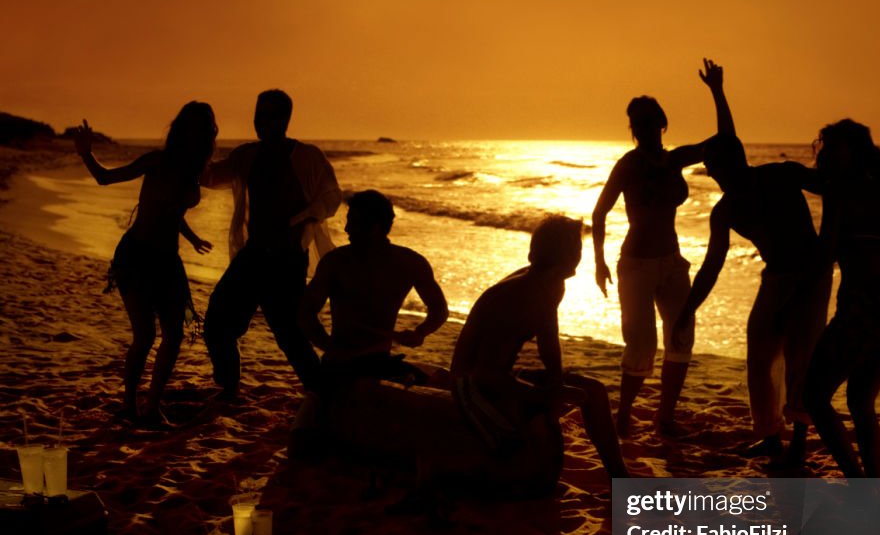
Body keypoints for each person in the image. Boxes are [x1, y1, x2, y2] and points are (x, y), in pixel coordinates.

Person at [592, 58, 734, 436]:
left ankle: (665, 416)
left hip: (671, 263)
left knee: (681, 334)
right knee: (640, 343)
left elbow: (723, 143)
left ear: (662, 123)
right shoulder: (627, 165)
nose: (645, 128)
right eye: (638, 123)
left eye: (651, 121)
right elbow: (599, 212)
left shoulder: (674, 160)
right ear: (633, 129)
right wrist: (599, 263)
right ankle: (624, 413)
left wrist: (717, 92)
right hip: (636, 265)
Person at [673, 133, 832, 463]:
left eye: (717, 167)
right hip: (774, 276)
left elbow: (829, 185)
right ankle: (771, 437)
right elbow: (712, 264)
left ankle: (799, 443)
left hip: (812, 275)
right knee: (759, 358)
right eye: (711, 169)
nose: (715, 176)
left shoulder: (780, 174)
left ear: (736, 161)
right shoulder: (726, 209)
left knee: (800, 358)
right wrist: (688, 310)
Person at [451, 215, 629, 482]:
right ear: (565, 254)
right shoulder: (516, 295)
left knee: (592, 391)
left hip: (501, 373)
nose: (580, 256)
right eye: (577, 249)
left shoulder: (552, 284)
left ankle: (619, 477)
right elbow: (482, 372)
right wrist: (538, 394)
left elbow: (549, 340)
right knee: (541, 421)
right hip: (473, 385)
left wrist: (556, 381)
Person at [72, 104, 216, 426]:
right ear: (181, 131)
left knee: (175, 334)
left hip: (168, 260)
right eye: (193, 128)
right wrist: (86, 153)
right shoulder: (156, 160)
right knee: (146, 335)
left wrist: (191, 238)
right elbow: (105, 178)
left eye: (203, 129)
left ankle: (152, 407)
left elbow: (172, 211)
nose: (198, 135)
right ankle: (129, 405)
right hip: (136, 256)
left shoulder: (195, 170)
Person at [203, 89, 341, 400]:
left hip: (288, 258)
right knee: (217, 323)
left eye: (269, 115)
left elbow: (331, 197)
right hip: (254, 254)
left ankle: (321, 393)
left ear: (284, 119)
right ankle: (228, 386)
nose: (261, 122)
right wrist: (198, 145)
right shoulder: (246, 155)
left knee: (289, 333)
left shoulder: (307, 156)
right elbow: (209, 177)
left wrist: (302, 218)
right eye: (258, 115)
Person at [803, 119, 880, 478]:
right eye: (827, 147)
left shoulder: (842, 192)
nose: (826, 153)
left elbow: (825, 254)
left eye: (834, 147)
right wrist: (878, 164)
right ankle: (870, 486)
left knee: (815, 397)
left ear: (854, 151)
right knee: (860, 404)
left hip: (860, 307)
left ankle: (859, 482)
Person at [299, 189, 449, 386]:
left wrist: (420, 331)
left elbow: (439, 310)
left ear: (376, 228)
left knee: (446, 383)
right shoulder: (336, 262)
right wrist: (330, 346)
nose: (346, 229)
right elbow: (305, 312)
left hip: (380, 362)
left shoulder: (410, 263)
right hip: (340, 366)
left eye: (353, 221)